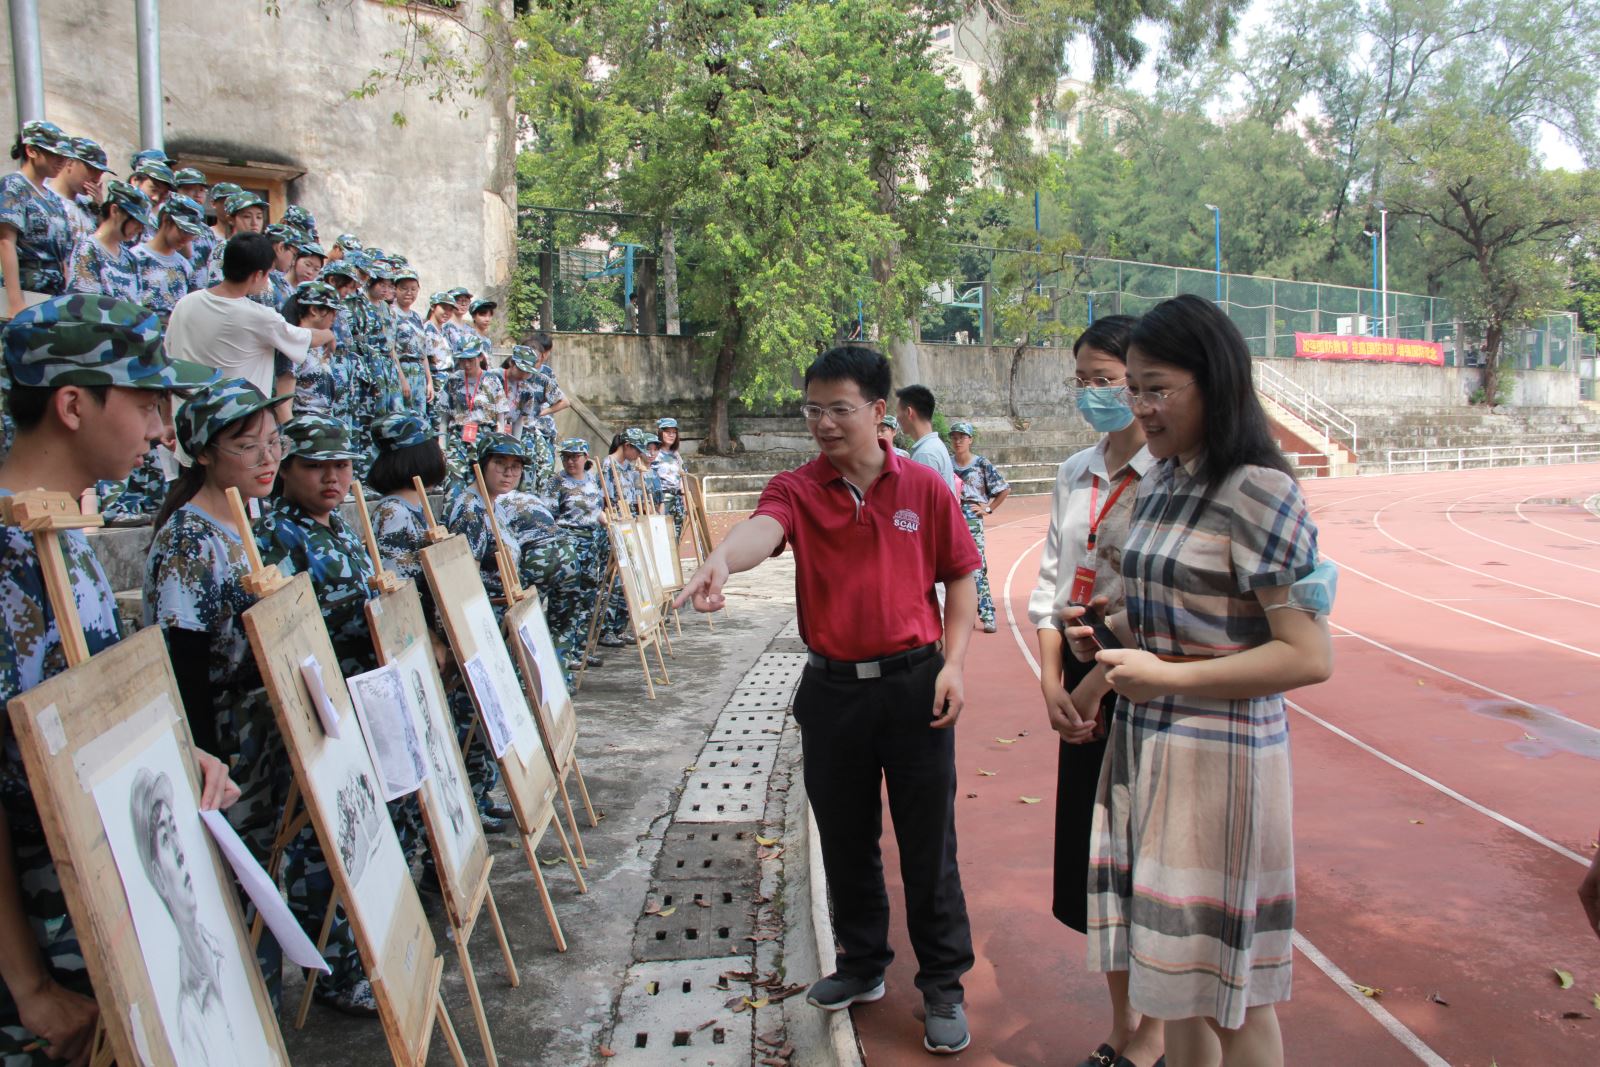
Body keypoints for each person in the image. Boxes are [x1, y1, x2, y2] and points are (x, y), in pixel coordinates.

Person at [676, 344, 980, 1055]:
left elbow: (961, 577)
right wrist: (721, 559)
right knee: (843, 838)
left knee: (928, 842)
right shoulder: (798, 487)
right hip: (833, 690)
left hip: (914, 685)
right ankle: (863, 962)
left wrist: (956, 664)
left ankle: (943, 984)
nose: (823, 423)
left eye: (838, 409)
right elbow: (764, 530)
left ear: (878, 411)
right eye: (812, 409)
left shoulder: (925, 488)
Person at [1067, 295, 1331, 1067]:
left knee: (1227, 994)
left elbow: (1307, 654)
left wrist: (1166, 674)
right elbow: (1169, 617)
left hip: (1222, 766)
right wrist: (1110, 642)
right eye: (1134, 389)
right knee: (1170, 981)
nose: (1140, 407)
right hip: (1149, 748)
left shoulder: (1259, 491)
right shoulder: (1163, 480)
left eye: (1158, 389)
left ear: (1213, 382)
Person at [0, 295, 234, 1066]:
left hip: (100, 899)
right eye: (146, 404)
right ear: (73, 405)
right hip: (42, 943)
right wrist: (31, 986)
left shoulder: (61, 532)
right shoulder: (10, 550)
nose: (163, 429)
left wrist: (173, 754)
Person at [1023, 315, 1164, 1067]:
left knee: (1152, 865)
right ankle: (1122, 1025)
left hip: (1154, 679)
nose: (1093, 394)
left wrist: (1101, 682)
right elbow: (1052, 584)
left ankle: (1157, 1035)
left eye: (1105, 379)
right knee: (1097, 863)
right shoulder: (1075, 472)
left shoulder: (1171, 474)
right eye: (1082, 380)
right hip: (1081, 672)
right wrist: (1054, 685)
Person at [255, 414, 422, 1015]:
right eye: (316, 466)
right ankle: (332, 973)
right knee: (320, 849)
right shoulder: (276, 537)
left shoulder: (342, 527)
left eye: (343, 466)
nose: (332, 478)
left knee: (367, 836)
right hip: (317, 711)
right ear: (287, 469)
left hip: (362, 703)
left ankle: (365, 951)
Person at [145, 377, 296, 999]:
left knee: (263, 875)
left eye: (274, 442)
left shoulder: (248, 517)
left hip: (264, 727)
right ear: (205, 452)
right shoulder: (190, 538)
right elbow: (182, 661)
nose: (267, 458)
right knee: (236, 885)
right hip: (226, 740)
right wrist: (205, 760)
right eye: (247, 445)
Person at [366, 413, 511, 834]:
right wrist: (431, 637)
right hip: (421, 645)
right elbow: (399, 590)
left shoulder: (416, 506)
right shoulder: (395, 512)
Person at [166, 233, 334, 404]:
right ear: (257, 275)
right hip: (231, 415)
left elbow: (168, 357)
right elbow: (306, 338)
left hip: (182, 412)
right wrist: (329, 334)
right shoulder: (259, 317)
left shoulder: (185, 303)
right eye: (268, 274)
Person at [550, 438, 630, 649]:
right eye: (566, 457)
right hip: (568, 545)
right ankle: (565, 651)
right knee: (567, 598)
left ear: (585, 457)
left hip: (591, 544)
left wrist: (610, 522)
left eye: (575, 457)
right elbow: (549, 517)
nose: (570, 461)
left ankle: (582, 649)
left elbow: (597, 510)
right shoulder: (556, 482)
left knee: (588, 597)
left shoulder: (592, 480)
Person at [0, 121, 75, 317]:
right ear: (32, 151)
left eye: (64, 156)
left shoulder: (53, 198)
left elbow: (63, 255)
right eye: (55, 154)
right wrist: (15, 302)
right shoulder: (14, 186)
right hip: (28, 289)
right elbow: (6, 242)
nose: (61, 161)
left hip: (54, 293)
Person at [948, 422, 1010, 635]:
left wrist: (988, 509)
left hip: (972, 517)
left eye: (962, 437)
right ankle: (962, 615)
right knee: (953, 567)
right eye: (954, 437)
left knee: (977, 567)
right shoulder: (947, 463)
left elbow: (1003, 489)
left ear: (970, 439)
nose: (958, 441)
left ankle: (987, 614)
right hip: (951, 515)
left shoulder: (981, 464)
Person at [66, 180, 155, 302]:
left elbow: (136, 305)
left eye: (142, 225)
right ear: (114, 211)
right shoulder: (88, 250)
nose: (139, 229)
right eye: (135, 221)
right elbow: (87, 304)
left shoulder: (131, 260)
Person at [128, 196, 207, 321]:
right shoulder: (136, 257)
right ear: (166, 221)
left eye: (192, 234)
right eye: (183, 231)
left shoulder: (184, 265)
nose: (187, 238)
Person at [282, 280, 346, 421]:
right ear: (314, 310)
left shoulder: (321, 344)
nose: (334, 317)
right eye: (332, 311)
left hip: (324, 424)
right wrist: (290, 433)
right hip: (304, 426)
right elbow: (283, 405)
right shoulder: (294, 346)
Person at [895, 384, 957, 496]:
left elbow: (921, 500)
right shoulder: (934, 445)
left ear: (909, 412)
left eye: (898, 412)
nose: (897, 418)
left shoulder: (925, 454)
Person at [47, 138, 108, 247]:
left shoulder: (89, 207)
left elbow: (106, 244)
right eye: (92, 169)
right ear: (70, 164)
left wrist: (100, 210)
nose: (97, 179)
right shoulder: (44, 197)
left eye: (101, 173)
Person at [652, 417, 687, 541]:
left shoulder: (676, 454)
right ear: (660, 433)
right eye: (668, 432)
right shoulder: (654, 453)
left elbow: (682, 476)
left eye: (674, 432)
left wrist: (685, 499)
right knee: (663, 536)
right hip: (662, 499)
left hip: (677, 500)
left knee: (676, 535)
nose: (671, 435)